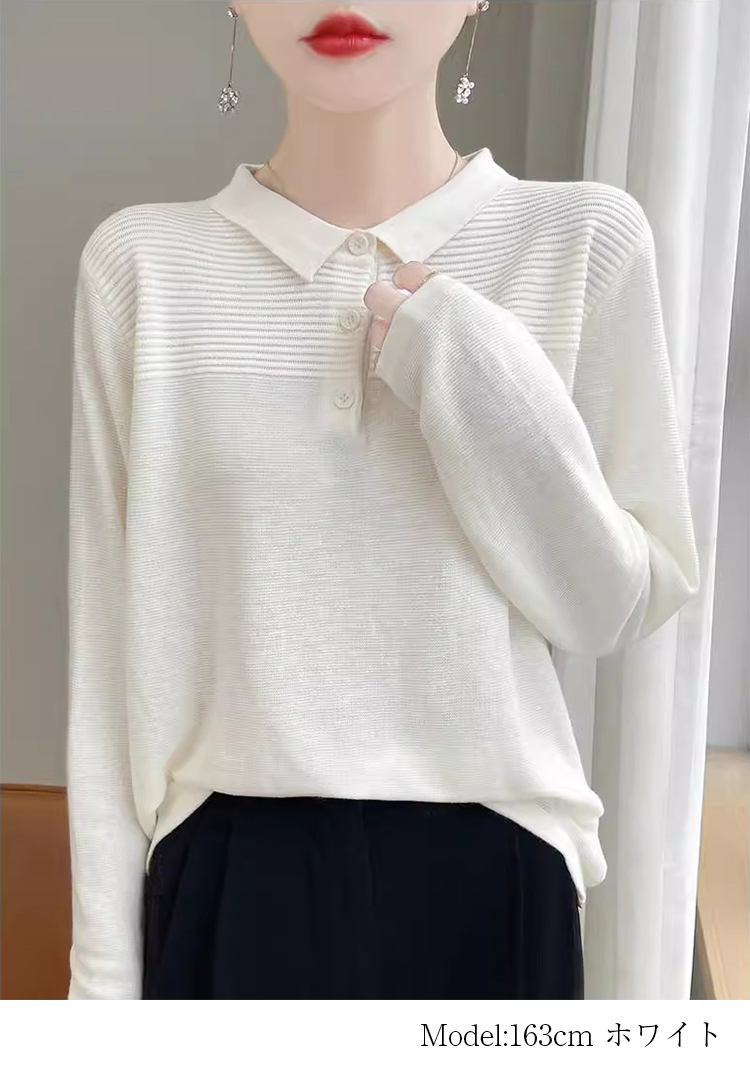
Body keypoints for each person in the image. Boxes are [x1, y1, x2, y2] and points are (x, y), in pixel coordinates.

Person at [66, 1, 701, 999]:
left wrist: (467, 364)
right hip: (229, 875)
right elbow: (111, 659)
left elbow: (607, 609)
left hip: (496, 877)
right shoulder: (144, 265)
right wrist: (98, 997)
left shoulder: (581, 239)